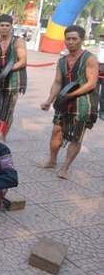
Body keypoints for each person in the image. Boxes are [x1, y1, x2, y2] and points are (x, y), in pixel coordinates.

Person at [38, 25, 99, 179]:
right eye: (68, 39)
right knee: (56, 131)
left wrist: (70, 95)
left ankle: (65, 167)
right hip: (63, 102)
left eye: (74, 39)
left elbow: (91, 83)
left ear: (82, 40)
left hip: (83, 104)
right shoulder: (62, 61)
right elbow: (58, 82)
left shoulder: (90, 58)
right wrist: (49, 100)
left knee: (76, 136)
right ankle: (52, 161)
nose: (71, 42)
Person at [0, 14, 27, 142]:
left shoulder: (18, 41)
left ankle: (3, 136)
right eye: (2, 25)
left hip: (13, 79)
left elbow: (22, 61)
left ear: (11, 27)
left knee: (9, 109)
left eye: (7, 25)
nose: (4, 28)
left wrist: (6, 70)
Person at [98, 33, 104, 120]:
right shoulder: (101, 45)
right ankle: (92, 110)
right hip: (98, 66)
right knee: (93, 90)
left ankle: (102, 111)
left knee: (103, 93)